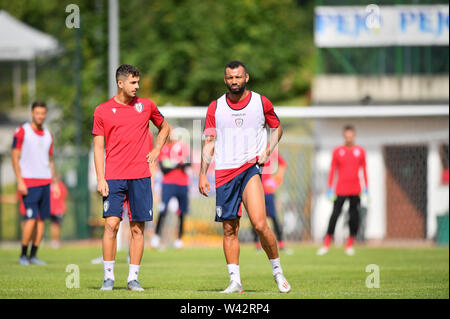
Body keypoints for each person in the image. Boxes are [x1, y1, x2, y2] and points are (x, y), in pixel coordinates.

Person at [199, 60, 291, 293]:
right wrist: (202, 173)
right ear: (225, 80)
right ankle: (235, 281)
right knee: (230, 229)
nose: (234, 81)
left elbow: (277, 128)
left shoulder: (261, 102)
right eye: (230, 77)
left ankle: (278, 272)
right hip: (223, 173)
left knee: (260, 224)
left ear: (246, 77)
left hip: (250, 168)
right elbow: (209, 142)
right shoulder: (215, 107)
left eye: (238, 77)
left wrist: (268, 151)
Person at [92, 64, 170, 291]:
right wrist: (100, 178)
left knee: (137, 228)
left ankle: (132, 279)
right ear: (120, 83)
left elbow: (165, 127)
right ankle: (108, 277)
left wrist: (156, 150)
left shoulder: (146, 106)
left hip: (140, 176)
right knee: (112, 225)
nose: (137, 86)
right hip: (114, 177)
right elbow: (98, 147)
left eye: (138, 82)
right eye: (133, 82)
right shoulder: (102, 110)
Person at [12, 101, 60, 266]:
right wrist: (19, 180)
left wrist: (55, 183)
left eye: (43, 113)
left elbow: (50, 160)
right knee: (31, 218)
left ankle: (33, 256)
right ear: (32, 113)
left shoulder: (48, 134)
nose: (40, 116)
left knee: (41, 220)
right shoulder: (22, 131)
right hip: (29, 182)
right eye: (37, 113)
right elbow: (15, 157)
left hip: (45, 181)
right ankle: (23, 255)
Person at [317, 125, 368, 256]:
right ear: (344, 136)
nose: (349, 138)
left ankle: (350, 244)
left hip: (355, 189)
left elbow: (364, 170)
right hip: (340, 189)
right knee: (334, 215)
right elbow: (332, 170)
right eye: (347, 136)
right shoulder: (337, 151)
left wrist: (366, 188)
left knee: (354, 217)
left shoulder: (360, 151)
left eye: (351, 135)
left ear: (354, 136)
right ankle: (327, 244)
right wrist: (330, 188)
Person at [151, 129, 191, 250]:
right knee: (163, 211)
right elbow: (164, 168)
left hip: (182, 184)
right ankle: (156, 237)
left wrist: (172, 163)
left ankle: (179, 239)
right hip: (168, 184)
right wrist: (178, 163)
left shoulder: (183, 147)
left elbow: (187, 164)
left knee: (182, 212)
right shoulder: (163, 149)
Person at [252, 148, 291, 254]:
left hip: (268, 191)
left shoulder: (271, 149)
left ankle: (282, 245)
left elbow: (283, 164)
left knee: (274, 218)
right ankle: (258, 246)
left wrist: (276, 180)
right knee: (255, 218)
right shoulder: (252, 147)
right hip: (255, 189)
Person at [49, 177, 68, 249]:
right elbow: (65, 195)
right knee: (56, 225)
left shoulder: (50, 186)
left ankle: (54, 241)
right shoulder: (61, 185)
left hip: (52, 208)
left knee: (54, 225)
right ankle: (55, 241)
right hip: (59, 209)